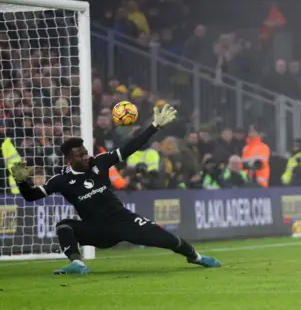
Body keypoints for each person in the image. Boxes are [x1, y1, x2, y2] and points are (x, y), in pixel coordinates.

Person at [10, 105, 222, 275]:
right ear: (70, 159)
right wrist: (22, 182)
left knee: (166, 238)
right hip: (98, 230)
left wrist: (154, 127)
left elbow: (130, 147)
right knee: (64, 226)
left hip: (123, 221)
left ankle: (196, 257)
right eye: (80, 155)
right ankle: (78, 264)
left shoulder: (99, 162)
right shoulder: (61, 180)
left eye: (85, 153)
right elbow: (31, 196)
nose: (85, 157)